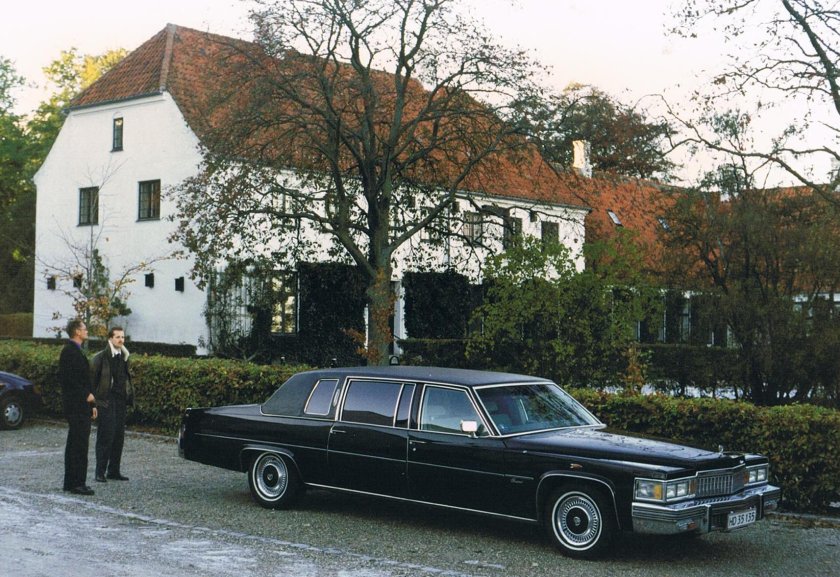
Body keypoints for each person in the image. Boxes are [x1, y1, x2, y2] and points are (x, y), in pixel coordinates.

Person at [59, 318, 97, 495]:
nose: (87, 331)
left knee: (75, 443)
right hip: (76, 406)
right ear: (77, 331)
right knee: (78, 444)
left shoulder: (76, 351)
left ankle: (71, 482)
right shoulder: (70, 352)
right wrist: (85, 395)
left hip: (82, 405)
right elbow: (69, 379)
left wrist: (92, 404)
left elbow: (83, 379)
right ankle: (77, 483)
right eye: (84, 328)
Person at [92, 326, 134, 482]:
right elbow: (92, 382)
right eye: (118, 337)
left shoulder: (124, 357)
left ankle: (114, 471)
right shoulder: (100, 357)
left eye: (122, 337)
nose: (121, 340)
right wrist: (94, 403)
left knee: (118, 437)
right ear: (110, 338)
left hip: (120, 401)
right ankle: (99, 472)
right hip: (106, 401)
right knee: (105, 437)